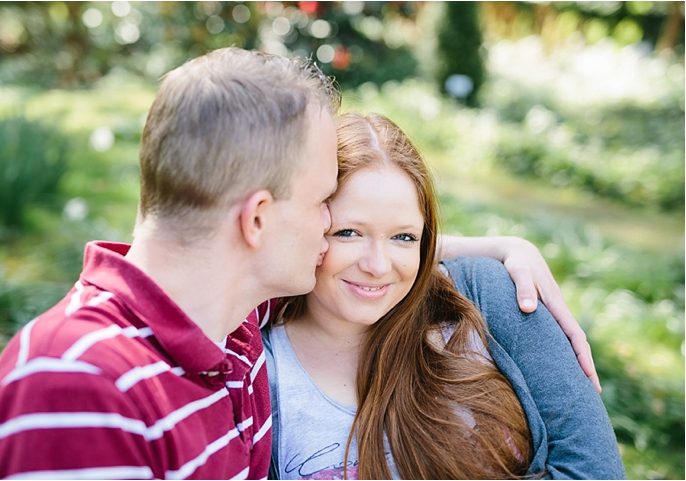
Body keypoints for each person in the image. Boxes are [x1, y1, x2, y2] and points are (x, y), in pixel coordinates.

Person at [0, 47, 595, 479]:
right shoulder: (75, 385)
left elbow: (372, 263)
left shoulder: (230, 331)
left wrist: (496, 248)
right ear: (259, 221)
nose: (332, 231)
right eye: (329, 207)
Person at [263, 113, 626, 479]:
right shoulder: (259, 369)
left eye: (403, 237)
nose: (377, 265)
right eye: (348, 233)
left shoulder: (488, 292)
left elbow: (595, 471)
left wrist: (502, 246)